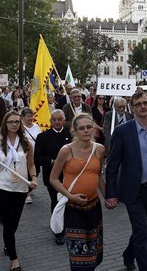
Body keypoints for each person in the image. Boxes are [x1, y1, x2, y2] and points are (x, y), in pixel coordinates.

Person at [105, 91, 147, 271]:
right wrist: (110, 194)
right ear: (132, 108)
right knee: (142, 233)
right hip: (131, 190)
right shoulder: (122, 131)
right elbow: (112, 165)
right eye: (138, 104)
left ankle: (128, 254)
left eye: (145, 103)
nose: (143, 106)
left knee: (141, 230)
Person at [50, 114, 106, 271]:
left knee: (94, 250)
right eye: (82, 128)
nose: (86, 131)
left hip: (94, 207)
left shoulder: (99, 149)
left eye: (89, 127)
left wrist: (108, 197)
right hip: (73, 208)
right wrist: (70, 196)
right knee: (79, 254)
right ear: (74, 131)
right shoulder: (66, 151)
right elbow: (53, 179)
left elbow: (99, 175)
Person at [0, 111, 38, 271]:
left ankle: (8, 243)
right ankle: (14, 259)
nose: (14, 124)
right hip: (1, 187)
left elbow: (31, 164)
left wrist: (34, 178)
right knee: (9, 222)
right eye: (10, 122)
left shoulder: (28, 143)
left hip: (21, 188)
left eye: (17, 121)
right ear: (5, 124)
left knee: (14, 222)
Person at [34, 109, 73, 245]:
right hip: (52, 176)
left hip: (70, 176)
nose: (57, 122)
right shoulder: (42, 137)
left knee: (68, 202)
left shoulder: (72, 135)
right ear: (50, 122)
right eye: (54, 120)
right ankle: (58, 232)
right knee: (56, 202)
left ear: (64, 120)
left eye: (59, 119)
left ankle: (68, 225)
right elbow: (37, 158)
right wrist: (51, 161)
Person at [21, 107, 42, 204]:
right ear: (23, 117)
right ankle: (27, 194)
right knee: (27, 173)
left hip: (36, 155)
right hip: (25, 155)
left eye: (32, 116)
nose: (30, 118)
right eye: (28, 116)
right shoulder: (20, 128)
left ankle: (29, 188)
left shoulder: (36, 126)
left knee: (35, 172)